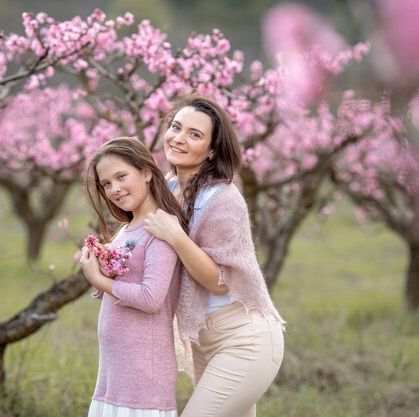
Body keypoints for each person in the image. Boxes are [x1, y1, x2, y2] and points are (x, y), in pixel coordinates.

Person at [144, 95, 285, 417]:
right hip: (204, 342)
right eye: (176, 127)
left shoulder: (221, 198)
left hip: (243, 341)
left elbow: (221, 282)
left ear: (211, 150)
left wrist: (176, 236)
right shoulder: (167, 187)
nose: (178, 138)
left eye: (194, 134)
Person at [79, 136, 188, 417]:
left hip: (142, 379)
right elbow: (128, 280)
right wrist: (103, 262)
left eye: (121, 176)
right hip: (115, 373)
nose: (114, 189)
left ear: (146, 172)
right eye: (106, 184)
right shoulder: (129, 228)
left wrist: (100, 280)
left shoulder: (159, 229)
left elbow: (151, 298)